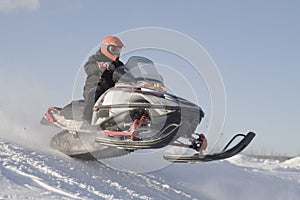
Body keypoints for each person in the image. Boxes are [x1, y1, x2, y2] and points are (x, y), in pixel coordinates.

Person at [82, 36, 124, 123]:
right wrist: (99, 66)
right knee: (94, 93)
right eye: (114, 49)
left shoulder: (119, 64)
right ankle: (86, 122)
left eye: (118, 50)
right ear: (106, 48)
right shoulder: (96, 58)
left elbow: (126, 73)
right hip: (96, 86)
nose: (116, 52)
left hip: (112, 89)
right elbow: (88, 67)